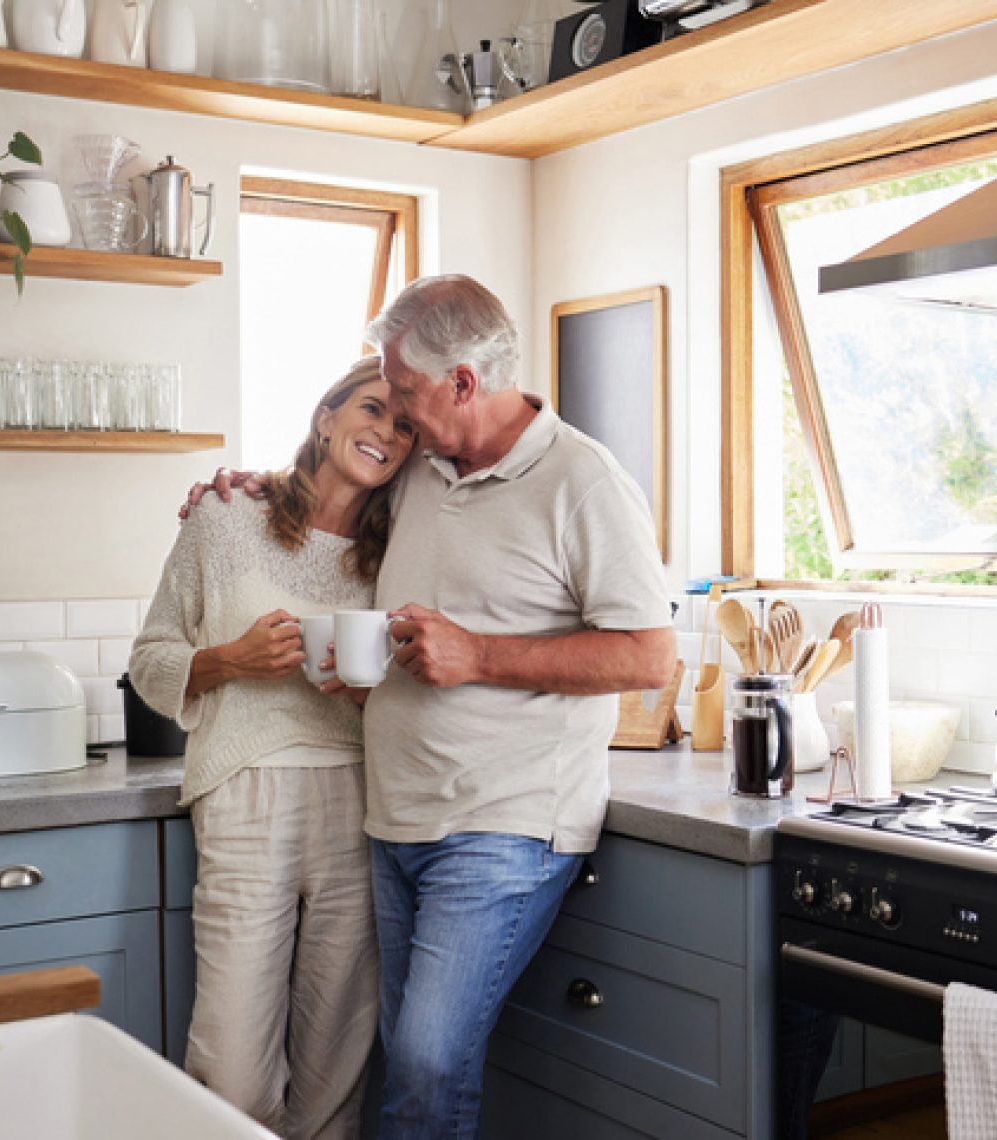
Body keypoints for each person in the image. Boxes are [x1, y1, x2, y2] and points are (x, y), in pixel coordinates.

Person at [197, 274, 676, 1138]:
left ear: (463, 380)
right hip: (395, 820)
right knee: (403, 1059)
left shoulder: (584, 482)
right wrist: (249, 487)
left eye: (408, 390)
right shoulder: (424, 465)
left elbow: (649, 656)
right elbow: (337, 476)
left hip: (504, 825)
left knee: (424, 1061)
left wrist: (479, 654)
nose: (399, 412)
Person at [131, 356, 415, 1140]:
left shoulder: (402, 552)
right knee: (230, 1069)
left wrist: (365, 689)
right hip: (246, 794)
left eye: (403, 426)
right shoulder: (227, 518)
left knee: (336, 1068)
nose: (385, 432)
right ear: (325, 418)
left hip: (362, 801)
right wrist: (230, 660)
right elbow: (150, 657)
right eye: (370, 409)